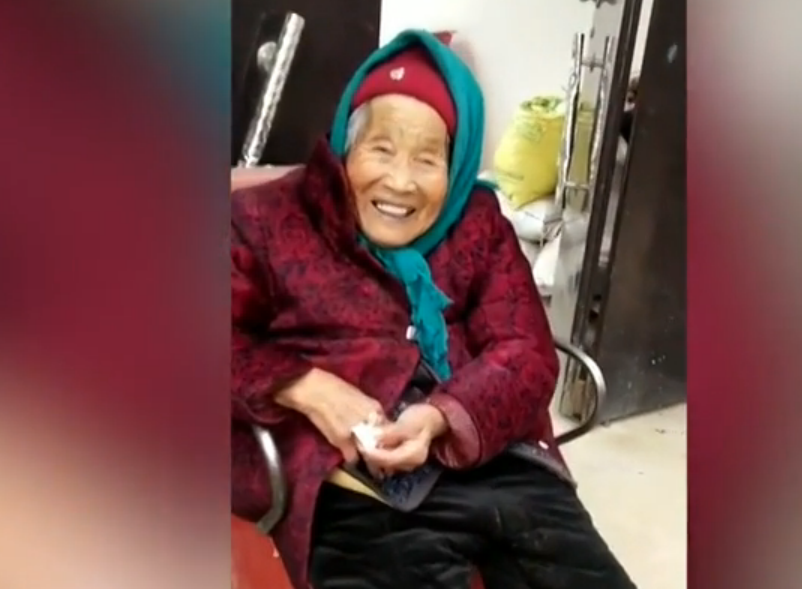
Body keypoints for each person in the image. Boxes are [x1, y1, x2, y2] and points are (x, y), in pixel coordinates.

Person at [231, 29, 636, 589]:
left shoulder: (477, 223)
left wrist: (442, 416)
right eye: (381, 149)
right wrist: (306, 386)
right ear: (346, 147)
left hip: (500, 468)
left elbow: (525, 351)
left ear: (458, 163)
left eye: (427, 159)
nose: (400, 182)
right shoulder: (266, 220)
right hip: (352, 485)